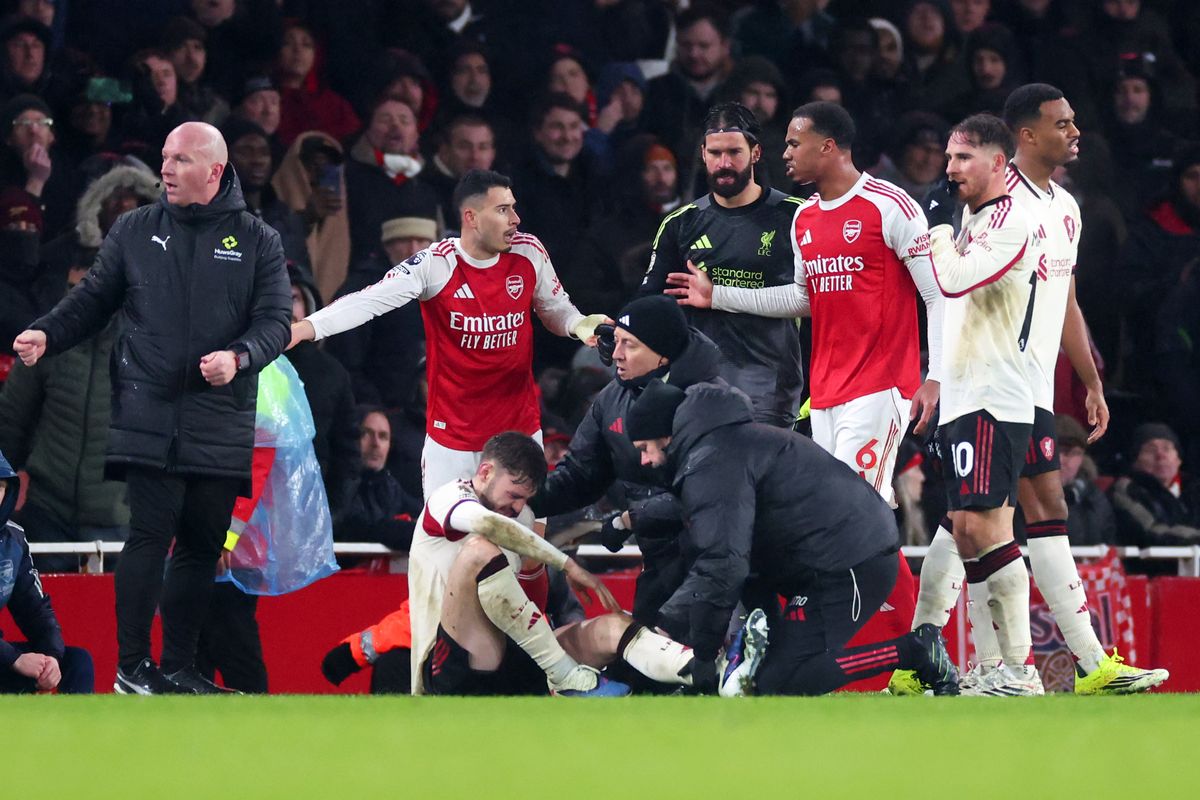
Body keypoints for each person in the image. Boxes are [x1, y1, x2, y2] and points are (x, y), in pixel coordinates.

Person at [897, 85, 1167, 696]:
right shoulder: (991, 200)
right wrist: (938, 374)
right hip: (982, 384)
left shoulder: (1065, 208)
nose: (1075, 133)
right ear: (1025, 136)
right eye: (1062, 124)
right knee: (976, 522)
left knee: (1020, 516)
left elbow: (1064, 298)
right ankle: (988, 667)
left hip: (1029, 390)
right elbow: (949, 292)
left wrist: (1090, 379)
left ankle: (1082, 665)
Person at [12, 121, 291, 694]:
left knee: (200, 546)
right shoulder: (135, 230)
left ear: (215, 171)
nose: (165, 169)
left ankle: (180, 667)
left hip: (221, 414)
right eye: (164, 157)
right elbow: (91, 301)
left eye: (180, 160)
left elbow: (276, 323)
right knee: (148, 534)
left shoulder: (259, 239)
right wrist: (46, 334)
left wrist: (239, 357)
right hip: (148, 413)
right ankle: (132, 667)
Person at [667, 100, 944, 646]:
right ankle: (914, 647)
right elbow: (802, 298)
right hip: (826, 395)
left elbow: (936, 292)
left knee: (855, 522)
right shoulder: (806, 219)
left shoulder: (891, 206)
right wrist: (716, 294)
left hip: (884, 385)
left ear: (829, 146)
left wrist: (936, 376)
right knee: (845, 522)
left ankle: (905, 647)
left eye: (794, 143)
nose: (786, 153)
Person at [625, 380, 959, 697]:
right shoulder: (722, 446)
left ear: (667, 437)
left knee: (784, 682)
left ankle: (915, 650)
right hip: (823, 559)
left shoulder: (714, 461)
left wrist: (692, 650)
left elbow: (721, 560)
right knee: (765, 676)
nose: (644, 461)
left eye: (645, 448)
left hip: (852, 562)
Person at [289, 169, 607, 497]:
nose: (515, 218)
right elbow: (369, 300)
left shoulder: (528, 252)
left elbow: (554, 308)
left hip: (518, 431)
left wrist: (579, 325)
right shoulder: (436, 264)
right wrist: (306, 327)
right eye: (503, 210)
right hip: (452, 441)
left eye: (513, 207)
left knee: (521, 541)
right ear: (471, 217)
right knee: (448, 545)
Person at [917, 112, 1043, 696]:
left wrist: (938, 228)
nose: (950, 168)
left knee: (989, 527)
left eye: (963, 157)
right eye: (949, 156)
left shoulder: (1014, 217)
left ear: (999, 161)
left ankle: (1020, 669)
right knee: (967, 529)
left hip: (996, 392)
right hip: (967, 393)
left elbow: (954, 281)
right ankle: (996, 668)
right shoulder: (977, 216)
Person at [532, 294, 722, 628]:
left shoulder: (711, 401)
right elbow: (581, 474)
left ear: (662, 353)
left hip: (713, 564)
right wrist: (524, 497)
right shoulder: (613, 397)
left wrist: (626, 520)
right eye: (616, 341)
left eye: (629, 345)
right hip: (658, 561)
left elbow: (707, 498)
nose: (615, 354)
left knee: (699, 666)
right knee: (639, 667)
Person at [408, 431, 627, 696]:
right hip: (448, 663)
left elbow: (529, 603)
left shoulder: (520, 519)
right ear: (486, 472)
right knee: (479, 552)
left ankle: (682, 672)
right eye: (513, 494)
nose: (518, 507)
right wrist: (567, 564)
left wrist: (536, 567)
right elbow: (488, 524)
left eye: (525, 499)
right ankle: (564, 673)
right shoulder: (448, 499)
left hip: (506, 654)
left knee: (617, 627)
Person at [638, 101, 804, 428]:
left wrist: (718, 294)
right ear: (702, 153)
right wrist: (622, 332)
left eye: (734, 152)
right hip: (697, 388)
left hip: (771, 390)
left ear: (755, 153)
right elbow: (650, 303)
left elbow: (814, 302)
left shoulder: (795, 217)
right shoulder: (680, 224)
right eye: (715, 154)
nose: (724, 164)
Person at [1, 449, 94, 693]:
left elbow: (35, 610)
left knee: (77, 662)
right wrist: (14, 659)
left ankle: (81, 732)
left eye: (0, 487)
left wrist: (50, 655)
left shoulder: (13, 539)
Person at [337, 407, 421, 551]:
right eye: (366, 434)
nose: (375, 444)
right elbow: (359, 528)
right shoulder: (339, 483)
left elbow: (421, 513)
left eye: (383, 436)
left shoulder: (390, 486)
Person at [1111, 422, 1200, 549]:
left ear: (1178, 459)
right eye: (1150, 450)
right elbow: (1151, 531)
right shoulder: (1126, 490)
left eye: (1167, 448)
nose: (1160, 456)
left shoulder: (1194, 489)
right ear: (1135, 461)